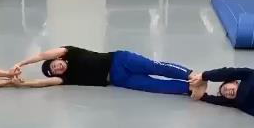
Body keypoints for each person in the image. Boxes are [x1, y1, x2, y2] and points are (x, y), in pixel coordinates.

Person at [11, 46, 203, 96]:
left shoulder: (69, 52)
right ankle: (189, 89)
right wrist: (23, 83)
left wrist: (22, 63)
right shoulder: (66, 78)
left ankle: (192, 75)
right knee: (154, 86)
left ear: (58, 59)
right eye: (55, 71)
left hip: (120, 59)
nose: (57, 68)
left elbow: (42, 54)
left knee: (155, 67)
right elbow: (43, 83)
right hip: (118, 80)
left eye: (54, 65)